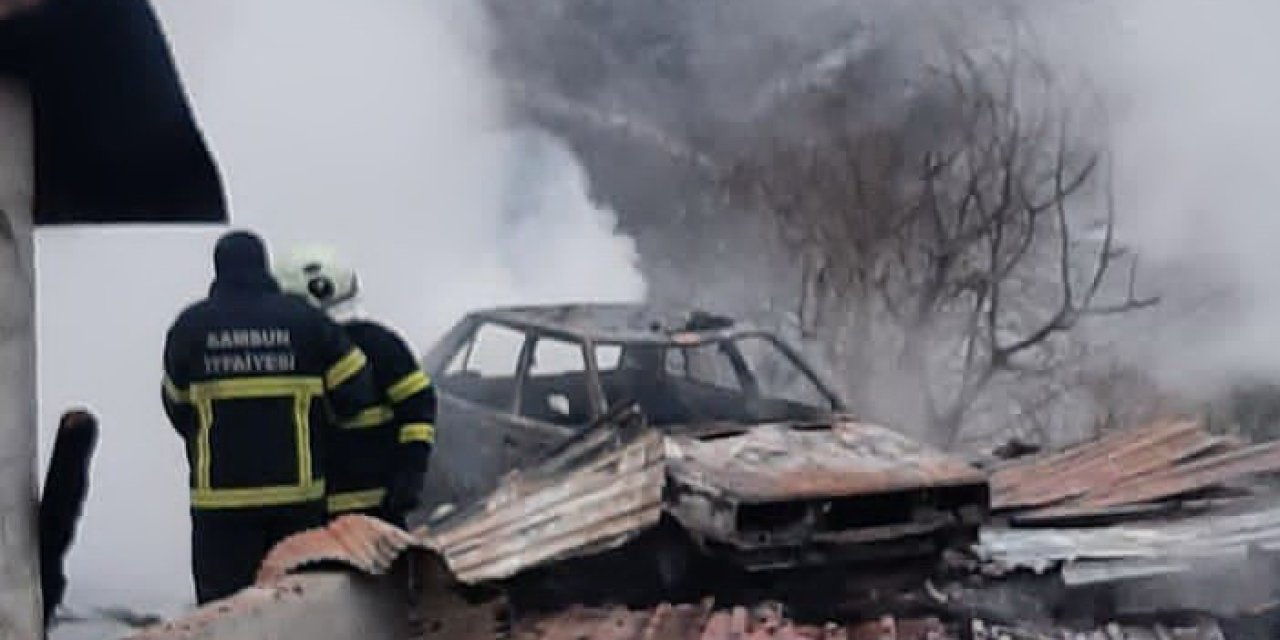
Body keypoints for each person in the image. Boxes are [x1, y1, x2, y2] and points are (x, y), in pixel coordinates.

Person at [161, 230, 376, 604]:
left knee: (225, 611)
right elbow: (356, 391)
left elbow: (177, 406)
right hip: (298, 500)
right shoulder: (305, 320)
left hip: (220, 506)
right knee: (297, 606)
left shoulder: (190, 327)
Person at [273, 244, 435, 528]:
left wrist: (410, 476)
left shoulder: (284, 354)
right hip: (364, 512)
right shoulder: (383, 344)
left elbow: (419, 405)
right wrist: (410, 474)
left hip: (332, 515)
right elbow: (419, 408)